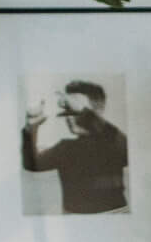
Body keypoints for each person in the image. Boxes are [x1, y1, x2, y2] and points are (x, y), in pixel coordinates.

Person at [20, 80, 129, 215]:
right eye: (68, 111)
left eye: (75, 110)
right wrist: (31, 129)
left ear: (97, 112)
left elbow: (126, 151)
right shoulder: (65, 148)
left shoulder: (113, 143)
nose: (70, 118)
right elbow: (32, 164)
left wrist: (84, 113)